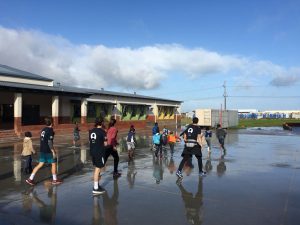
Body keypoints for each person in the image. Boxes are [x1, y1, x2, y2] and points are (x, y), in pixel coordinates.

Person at [26, 118, 63, 186]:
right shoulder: (50, 130)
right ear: (52, 123)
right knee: (53, 164)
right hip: (48, 150)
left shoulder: (43, 129)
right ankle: (55, 180)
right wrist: (53, 151)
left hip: (42, 149)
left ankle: (30, 179)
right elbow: (49, 142)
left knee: (40, 164)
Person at [89, 117, 107, 194]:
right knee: (98, 169)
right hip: (99, 152)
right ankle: (95, 188)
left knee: (97, 168)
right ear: (102, 123)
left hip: (92, 151)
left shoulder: (91, 131)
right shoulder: (102, 132)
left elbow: (90, 141)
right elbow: (105, 144)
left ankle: (97, 185)